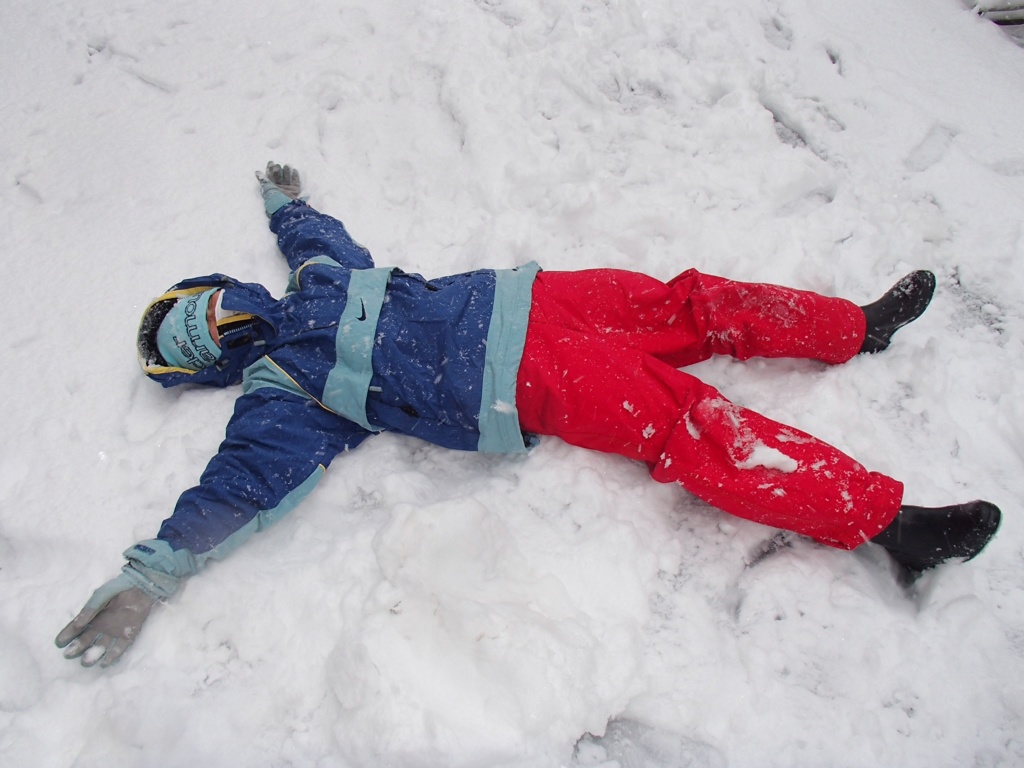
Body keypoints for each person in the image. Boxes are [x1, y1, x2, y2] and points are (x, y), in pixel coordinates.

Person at [56, 163, 1002, 668]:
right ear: (212, 365)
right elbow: (241, 486)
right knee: (695, 424)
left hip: (544, 300)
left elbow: (318, 236)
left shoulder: (318, 274)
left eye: (211, 306)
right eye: (205, 338)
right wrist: (155, 574)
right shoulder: (285, 396)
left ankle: (851, 329)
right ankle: (889, 525)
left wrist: (287, 203)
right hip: (521, 383)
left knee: (696, 302)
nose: (226, 321)